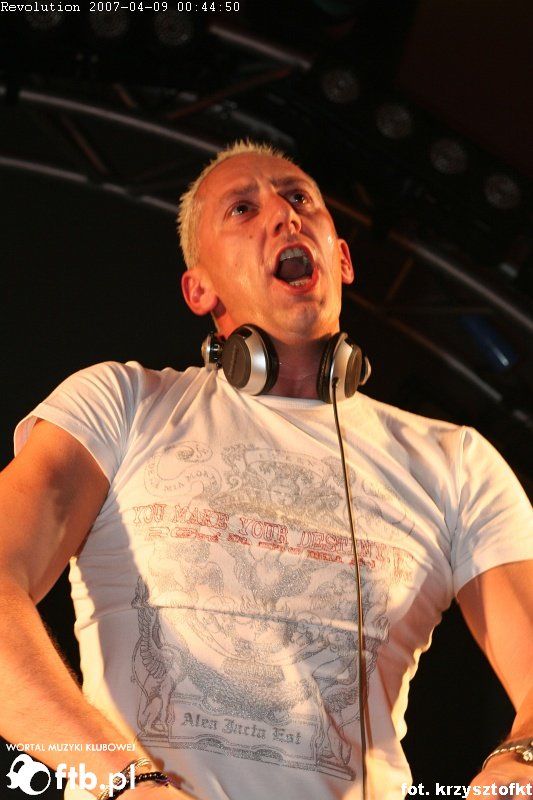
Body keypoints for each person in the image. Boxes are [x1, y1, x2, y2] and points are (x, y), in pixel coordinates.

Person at [1, 140, 532, 800]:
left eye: (299, 198)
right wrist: (129, 785)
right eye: (242, 208)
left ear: (342, 258)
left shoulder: (455, 463)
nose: (284, 215)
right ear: (199, 288)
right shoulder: (121, 405)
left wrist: (520, 759)